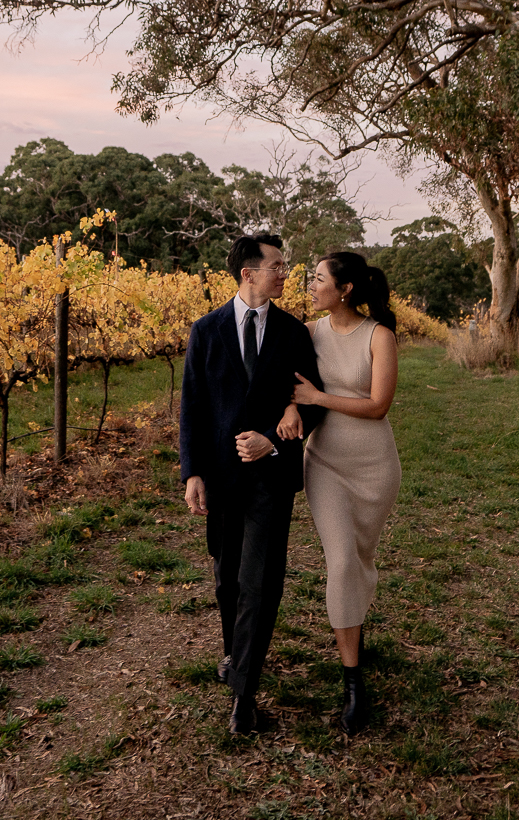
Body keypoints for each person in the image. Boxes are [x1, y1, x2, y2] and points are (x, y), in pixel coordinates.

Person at [180, 233, 326, 735]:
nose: (285, 273)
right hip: (219, 477)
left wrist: (272, 439)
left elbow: (312, 401)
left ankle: (244, 695)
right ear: (248, 272)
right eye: (277, 266)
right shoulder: (206, 330)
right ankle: (233, 652)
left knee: (259, 584)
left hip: (271, 478)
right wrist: (193, 472)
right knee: (227, 581)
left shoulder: (294, 333)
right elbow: (193, 408)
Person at [289, 250, 401, 735]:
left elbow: (377, 406)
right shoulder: (308, 333)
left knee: (361, 560)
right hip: (325, 465)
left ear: (346, 288)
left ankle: (354, 619)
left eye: (317, 279)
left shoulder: (379, 336)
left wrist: (316, 398)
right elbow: (281, 380)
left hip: (375, 468)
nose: (310, 287)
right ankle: (352, 680)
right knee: (339, 562)